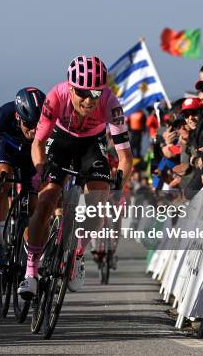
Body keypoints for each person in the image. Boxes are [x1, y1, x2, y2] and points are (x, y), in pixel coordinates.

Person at [17, 56, 133, 299]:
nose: (90, 100)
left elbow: (125, 156)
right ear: (71, 87)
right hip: (61, 139)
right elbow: (38, 142)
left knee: (97, 205)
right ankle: (31, 272)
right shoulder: (56, 96)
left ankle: (77, 254)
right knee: (47, 199)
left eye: (96, 93)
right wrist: (40, 171)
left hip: (93, 143)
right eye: (83, 93)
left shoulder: (111, 103)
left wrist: (119, 185)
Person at [0, 87, 46, 269]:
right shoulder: (4, 115)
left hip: (32, 154)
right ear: (18, 117)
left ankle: (30, 252)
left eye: (38, 125)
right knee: (1, 181)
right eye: (29, 124)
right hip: (8, 150)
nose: (33, 130)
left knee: (34, 204)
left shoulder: (50, 116)